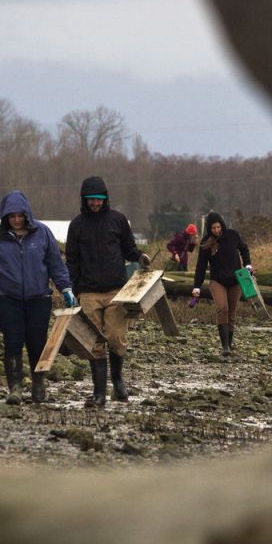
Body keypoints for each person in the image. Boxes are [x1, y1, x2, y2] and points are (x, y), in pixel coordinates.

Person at [0, 190, 76, 405]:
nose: (17, 220)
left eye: (20, 216)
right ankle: (15, 388)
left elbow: (55, 265)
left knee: (36, 343)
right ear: (5, 217)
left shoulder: (43, 233)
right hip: (6, 298)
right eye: (12, 216)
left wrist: (66, 288)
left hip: (38, 298)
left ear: (27, 215)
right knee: (12, 342)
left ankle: (38, 384)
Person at [66, 175, 151, 408]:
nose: (95, 203)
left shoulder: (118, 220)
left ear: (105, 199)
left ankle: (118, 380)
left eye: (99, 199)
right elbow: (72, 260)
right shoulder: (77, 225)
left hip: (116, 290)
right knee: (95, 342)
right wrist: (73, 289)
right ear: (84, 200)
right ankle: (99, 393)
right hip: (88, 292)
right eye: (91, 200)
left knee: (115, 337)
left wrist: (140, 256)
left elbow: (129, 249)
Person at [192, 211, 252, 357]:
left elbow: (244, 249)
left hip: (235, 280)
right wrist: (197, 286)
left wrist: (248, 265)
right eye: (213, 228)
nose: (217, 230)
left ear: (222, 225)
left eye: (218, 227)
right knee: (222, 308)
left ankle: (229, 347)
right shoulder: (206, 242)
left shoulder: (233, 235)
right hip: (217, 281)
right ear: (209, 228)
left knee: (231, 313)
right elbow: (201, 266)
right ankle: (224, 345)